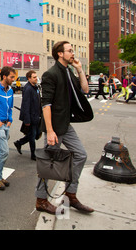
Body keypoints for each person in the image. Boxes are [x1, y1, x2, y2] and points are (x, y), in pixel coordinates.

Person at [35, 41, 94, 215]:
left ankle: (70, 194)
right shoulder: (50, 74)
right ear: (60, 54)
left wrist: (79, 70)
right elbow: (46, 105)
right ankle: (41, 200)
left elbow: (85, 89)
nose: (73, 53)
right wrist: (50, 131)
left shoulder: (68, 72)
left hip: (65, 125)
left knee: (81, 155)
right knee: (48, 164)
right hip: (54, 127)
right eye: (69, 51)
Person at [14, 70, 41, 161]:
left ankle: (19, 143)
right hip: (31, 116)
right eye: (34, 77)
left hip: (36, 116)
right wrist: (27, 120)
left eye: (36, 77)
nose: (36, 78)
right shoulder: (28, 89)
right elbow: (25, 105)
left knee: (35, 134)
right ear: (29, 78)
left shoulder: (35, 87)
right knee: (32, 136)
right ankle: (33, 154)